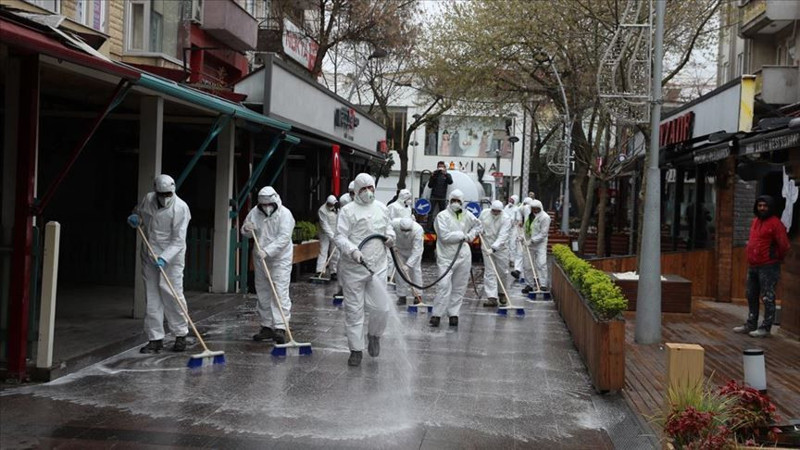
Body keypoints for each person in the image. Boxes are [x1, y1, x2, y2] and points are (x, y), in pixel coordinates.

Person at [335, 173, 396, 366]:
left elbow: (388, 229)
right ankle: (355, 349)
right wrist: (352, 250)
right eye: (364, 189)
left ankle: (374, 335)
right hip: (354, 268)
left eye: (371, 188)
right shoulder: (347, 211)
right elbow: (339, 237)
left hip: (377, 266)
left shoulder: (381, 208)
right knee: (354, 310)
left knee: (382, 308)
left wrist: (390, 238)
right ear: (356, 191)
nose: (368, 192)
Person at [127, 174, 191, 354]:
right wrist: (136, 219)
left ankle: (180, 335)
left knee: (172, 294)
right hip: (149, 253)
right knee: (152, 298)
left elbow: (179, 240)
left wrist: (164, 258)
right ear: (155, 191)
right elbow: (139, 214)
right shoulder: (148, 199)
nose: (164, 198)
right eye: (161, 194)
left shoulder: (180, 208)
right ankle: (155, 339)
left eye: (168, 194)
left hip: (171, 257)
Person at [241, 186, 295, 345]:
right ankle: (266, 326)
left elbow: (284, 238)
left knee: (279, 291)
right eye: (263, 205)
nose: (266, 208)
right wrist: (246, 229)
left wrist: (268, 251)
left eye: (269, 204)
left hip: (280, 259)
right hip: (260, 258)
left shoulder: (285, 215)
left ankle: (280, 326)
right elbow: (246, 232)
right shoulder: (254, 213)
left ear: (275, 201)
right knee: (263, 292)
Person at [733, 195, 791, 337]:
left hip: (768, 265)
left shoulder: (776, 223)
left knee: (767, 296)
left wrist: (776, 257)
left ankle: (765, 327)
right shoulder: (755, 221)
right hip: (753, 264)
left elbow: (784, 245)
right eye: (760, 205)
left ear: (770, 207)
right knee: (751, 294)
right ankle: (751, 323)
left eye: (765, 206)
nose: (762, 208)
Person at [431, 189, 481, 327]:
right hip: (446, 257)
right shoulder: (442, 216)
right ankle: (437, 314)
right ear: (449, 200)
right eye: (453, 200)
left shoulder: (466, 215)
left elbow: (478, 225)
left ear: (462, 202)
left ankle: (454, 314)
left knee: (459, 287)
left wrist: (471, 235)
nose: (455, 203)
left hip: (463, 256)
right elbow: (444, 236)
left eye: (458, 201)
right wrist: (462, 235)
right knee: (443, 286)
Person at [480, 200, 513, 307]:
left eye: (497, 211)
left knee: (502, 271)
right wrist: (479, 230)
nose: (495, 213)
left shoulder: (506, 218)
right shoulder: (484, 213)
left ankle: (501, 293)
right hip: (486, 245)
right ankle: (491, 297)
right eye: (493, 211)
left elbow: (503, 236)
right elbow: (478, 224)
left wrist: (494, 248)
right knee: (490, 272)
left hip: (501, 249)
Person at [391, 217, 424, 306]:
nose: (405, 233)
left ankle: (418, 295)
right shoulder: (394, 224)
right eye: (403, 230)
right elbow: (388, 232)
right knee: (400, 273)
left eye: (408, 230)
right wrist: (392, 243)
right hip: (399, 250)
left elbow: (417, 250)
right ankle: (402, 296)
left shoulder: (418, 229)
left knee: (415, 272)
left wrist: (409, 265)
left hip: (412, 251)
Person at [522, 199, 551, 294]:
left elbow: (543, 234)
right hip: (528, 243)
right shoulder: (528, 214)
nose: (534, 210)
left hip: (540, 244)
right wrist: (522, 237)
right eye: (533, 208)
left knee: (541, 263)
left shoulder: (545, 217)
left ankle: (543, 285)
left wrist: (532, 241)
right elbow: (526, 227)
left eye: (536, 209)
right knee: (527, 265)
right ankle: (529, 284)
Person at [315, 195, 339, 279]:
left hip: (335, 233)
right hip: (324, 234)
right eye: (329, 204)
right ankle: (320, 271)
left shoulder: (338, 209)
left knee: (335, 253)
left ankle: (334, 271)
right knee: (323, 250)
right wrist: (332, 236)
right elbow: (324, 225)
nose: (331, 206)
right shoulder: (322, 210)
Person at [426, 161, 453, 231]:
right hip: (433, 196)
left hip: (442, 197)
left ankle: (442, 228)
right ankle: (428, 228)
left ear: (444, 167)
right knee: (430, 212)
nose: (440, 168)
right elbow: (430, 185)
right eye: (439, 166)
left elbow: (450, 182)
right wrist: (432, 176)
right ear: (437, 167)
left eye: (442, 166)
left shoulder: (447, 174)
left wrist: (445, 174)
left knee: (442, 213)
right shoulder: (434, 174)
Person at [505, 195, 523, 279]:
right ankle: (507, 258)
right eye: (510, 199)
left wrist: (517, 224)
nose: (510, 201)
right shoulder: (506, 207)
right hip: (506, 228)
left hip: (513, 229)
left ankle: (512, 260)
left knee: (512, 244)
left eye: (512, 200)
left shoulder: (517, 209)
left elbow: (519, 220)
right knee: (506, 244)